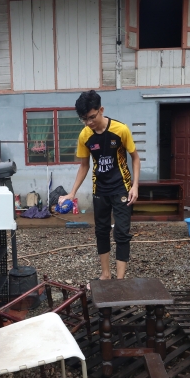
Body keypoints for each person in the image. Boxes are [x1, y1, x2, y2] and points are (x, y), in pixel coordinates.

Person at [57, 90, 140, 279]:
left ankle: (120, 280)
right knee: (101, 231)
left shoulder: (121, 130)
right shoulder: (85, 135)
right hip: (100, 189)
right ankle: (105, 274)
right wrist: (72, 193)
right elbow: (84, 165)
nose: (89, 123)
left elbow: (135, 158)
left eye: (92, 117)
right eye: (84, 119)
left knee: (121, 232)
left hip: (121, 187)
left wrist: (135, 186)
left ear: (101, 110)